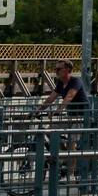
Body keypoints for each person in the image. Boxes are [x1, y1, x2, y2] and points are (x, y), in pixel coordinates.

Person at [38, 61, 88, 189]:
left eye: (58, 69)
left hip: (81, 115)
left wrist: (58, 111)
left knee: (72, 140)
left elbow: (69, 97)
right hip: (70, 115)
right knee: (48, 131)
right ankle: (64, 154)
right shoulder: (60, 83)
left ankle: (70, 173)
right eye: (55, 69)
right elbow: (51, 98)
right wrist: (37, 111)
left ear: (67, 69)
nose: (56, 71)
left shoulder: (75, 81)